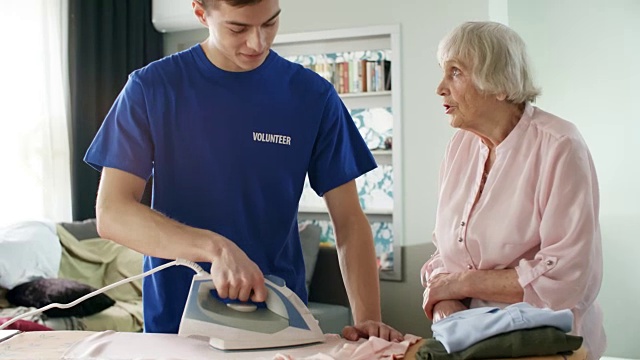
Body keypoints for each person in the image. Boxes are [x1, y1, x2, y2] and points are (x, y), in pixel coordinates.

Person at [84, 0, 402, 341]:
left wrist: (368, 318)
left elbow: (350, 220)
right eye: (238, 28)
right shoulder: (151, 89)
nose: (258, 43)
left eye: (270, 24)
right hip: (174, 329)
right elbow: (112, 213)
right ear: (200, 12)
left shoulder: (313, 96)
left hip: (282, 323)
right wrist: (215, 249)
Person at [420, 21, 605, 358]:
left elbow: (564, 278)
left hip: (543, 346)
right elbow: (444, 254)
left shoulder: (560, 145)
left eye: (456, 72)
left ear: (499, 85)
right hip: (466, 341)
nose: (440, 88)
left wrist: (458, 285)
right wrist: (445, 305)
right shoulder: (458, 147)